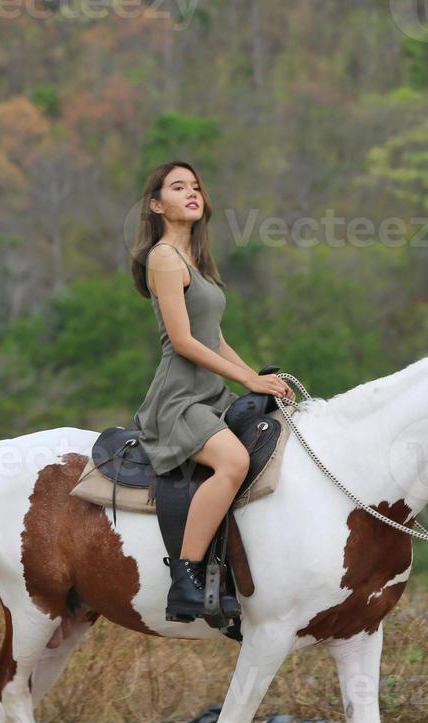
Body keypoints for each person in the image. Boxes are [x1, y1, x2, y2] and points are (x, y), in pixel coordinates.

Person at [128, 161, 293, 621]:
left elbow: (215, 337)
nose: (192, 193)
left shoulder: (195, 261)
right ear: (157, 205)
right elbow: (184, 342)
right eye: (178, 187)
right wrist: (246, 380)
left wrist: (258, 378)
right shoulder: (162, 257)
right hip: (179, 399)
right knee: (234, 461)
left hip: (210, 393)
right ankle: (185, 578)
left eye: (196, 186)